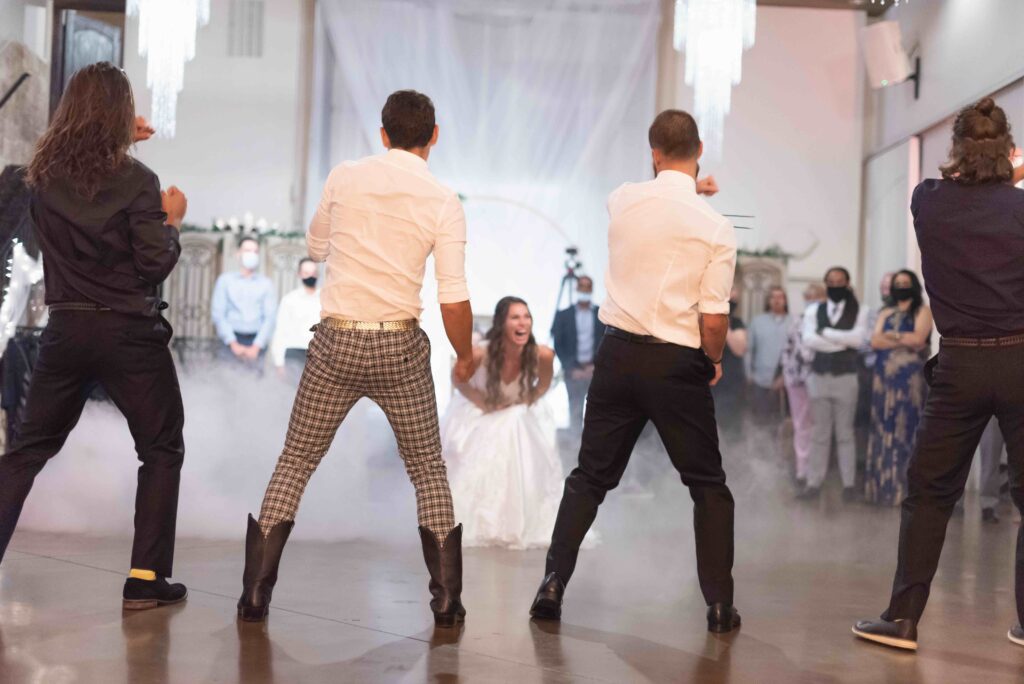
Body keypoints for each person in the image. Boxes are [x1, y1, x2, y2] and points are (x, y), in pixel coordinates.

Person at [238, 90, 475, 628]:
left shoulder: (345, 176)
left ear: (383, 133)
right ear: (434, 135)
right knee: (428, 472)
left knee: (295, 463)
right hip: (399, 345)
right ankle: (446, 600)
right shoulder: (443, 199)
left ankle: (255, 593)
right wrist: (466, 355)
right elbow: (453, 297)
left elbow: (316, 249)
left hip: (338, 341)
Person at [529, 109, 740, 634]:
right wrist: (712, 361)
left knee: (589, 478)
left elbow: (659, 202)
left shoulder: (623, 198)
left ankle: (553, 582)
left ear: (653, 153)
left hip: (617, 357)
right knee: (708, 486)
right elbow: (714, 319)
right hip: (676, 363)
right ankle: (718, 606)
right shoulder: (715, 228)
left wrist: (687, 187)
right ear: (701, 150)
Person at [0, 63, 189, 609]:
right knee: (160, 448)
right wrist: (171, 219)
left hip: (66, 331)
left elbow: (80, 170)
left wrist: (113, 131)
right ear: (117, 116)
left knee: (24, 453)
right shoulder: (140, 182)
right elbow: (153, 263)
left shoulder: (41, 176)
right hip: (129, 333)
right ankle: (144, 579)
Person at [854, 97, 1024, 651]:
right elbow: (1002, 188)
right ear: (1008, 150)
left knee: (929, 494)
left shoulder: (928, 201)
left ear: (953, 148)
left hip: (960, 363)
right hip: (1021, 359)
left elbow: (963, 184)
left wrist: (987, 164)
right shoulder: (1020, 208)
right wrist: (1005, 168)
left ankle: (902, 618)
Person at [443, 296, 566, 549]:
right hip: (483, 411)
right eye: (515, 317)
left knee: (516, 420)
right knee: (505, 426)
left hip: (516, 413)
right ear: (502, 323)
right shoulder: (481, 353)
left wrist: (525, 400)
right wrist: (483, 401)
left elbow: (543, 384)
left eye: (526, 316)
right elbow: (457, 378)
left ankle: (521, 517)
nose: (523, 322)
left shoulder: (541, 354)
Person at [798, 267, 869, 502]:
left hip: (847, 378)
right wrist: (842, 341)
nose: (835, 285)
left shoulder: (861, 310)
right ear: (825, 284)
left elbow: (858, 340)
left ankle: (848, 485)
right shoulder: (813, 310)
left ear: (848, 283)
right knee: (819, 433)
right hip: (818, 377)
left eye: (840, 281)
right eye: (830, 281)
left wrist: (826, 333)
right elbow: (809, 340)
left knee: (845, 433)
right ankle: (813, 483)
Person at [864, 270, 932, 506]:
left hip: (909, 380)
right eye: (898, 283)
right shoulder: (885, 312)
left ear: (913, 285)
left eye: (906, 283)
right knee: (884, 427)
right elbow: (874, 341)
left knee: (907, 427)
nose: (902, 286)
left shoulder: (923, 311)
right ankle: (884, 489)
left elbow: (918, 340)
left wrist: (889, 336)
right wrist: (903, 337)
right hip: (883, 381)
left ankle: (906, 492)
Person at [781, 283, 825, 487]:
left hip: (818, 379)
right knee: (803, 426)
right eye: (809, 295)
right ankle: (803, 470)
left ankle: (813, 471)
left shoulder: (826, 319)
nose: (812, 299)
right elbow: (792, 350)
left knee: (817, 426)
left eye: (817, 296)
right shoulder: (799, 320)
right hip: (800, 380)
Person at [551, 276, 605, 436]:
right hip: (573, 371)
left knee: (598, 411)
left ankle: (595, 444)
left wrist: (595, 366)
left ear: (592, 289)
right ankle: (575, 447)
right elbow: (558, 344)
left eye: (588, 287)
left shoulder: (602, 315)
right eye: (581, 286)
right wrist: (571, 367)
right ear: (576, 289)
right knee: (574, 408)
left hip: (594, 371)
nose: (584, 290)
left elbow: (606, 341)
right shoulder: (563, 315)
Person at [211, 237, 277, 370]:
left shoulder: (266, 284)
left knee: (255, 387)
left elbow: (270, 317)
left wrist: (257, 346)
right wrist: (232, 343)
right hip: (229, 343)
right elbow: (218, 314)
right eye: (247, 250)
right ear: (238, 253)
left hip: (257, 343)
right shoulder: (225, 281)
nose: (252, 254)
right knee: (226, 386)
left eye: (255, 251)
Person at [269, 258, 322, 382]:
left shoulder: (325, 299)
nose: (311, 276)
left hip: (319, 356)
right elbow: (280, 331)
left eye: (313, 273)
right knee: (290, 397)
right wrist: (279, 362)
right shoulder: (289, 300)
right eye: (306, 273)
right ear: (299, 274)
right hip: (293, 354)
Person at [747, 286, 790, 424]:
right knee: (760, 421)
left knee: (783, 422)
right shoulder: (757, 322)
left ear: (785, 300)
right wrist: (749, 375)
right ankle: (761, 446)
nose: (777, 300)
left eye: (780, 297)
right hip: (760, 380)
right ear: (768, 301)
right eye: (773, 297)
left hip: (787, 382)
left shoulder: (794, 322)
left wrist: (785, 376)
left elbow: (797, 353)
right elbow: (749, 350)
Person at [712, 286, 747, 436]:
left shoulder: (737, 323)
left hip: (730, 383)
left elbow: (739, 348)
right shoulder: (701, 319)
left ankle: (733, 458)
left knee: (731, 427)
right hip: (707, 382)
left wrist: (723, 320)